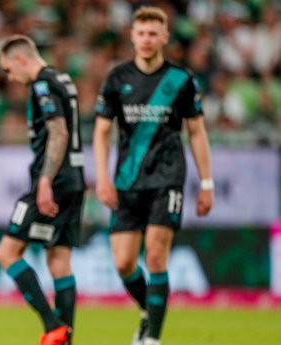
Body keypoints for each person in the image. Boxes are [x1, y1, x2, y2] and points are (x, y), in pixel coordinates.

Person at [93, 7, 214, 345]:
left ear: (164, 37)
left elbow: (198, 132)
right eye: (141, 33)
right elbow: (102, 132)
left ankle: (152, 338)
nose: (146, 39)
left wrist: (207, 183)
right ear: (132, 36)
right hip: (127, 180)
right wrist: (102, 177)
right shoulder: (117, 79)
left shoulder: (181, 80)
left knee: (156, 255)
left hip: (167, 177)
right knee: (123, 263)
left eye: (153, 33)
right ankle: (152, 311)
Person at [0, 35, 86, 345]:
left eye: (9, 69)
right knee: (59, 260)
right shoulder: (63, 78)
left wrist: (45, 181)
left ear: (21, 59)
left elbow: (58, 131)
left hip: (54, 181)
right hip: (74, 180)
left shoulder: (43, 84)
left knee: (6, 252)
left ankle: (53, 327)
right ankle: (66, 339)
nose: (11, 77)